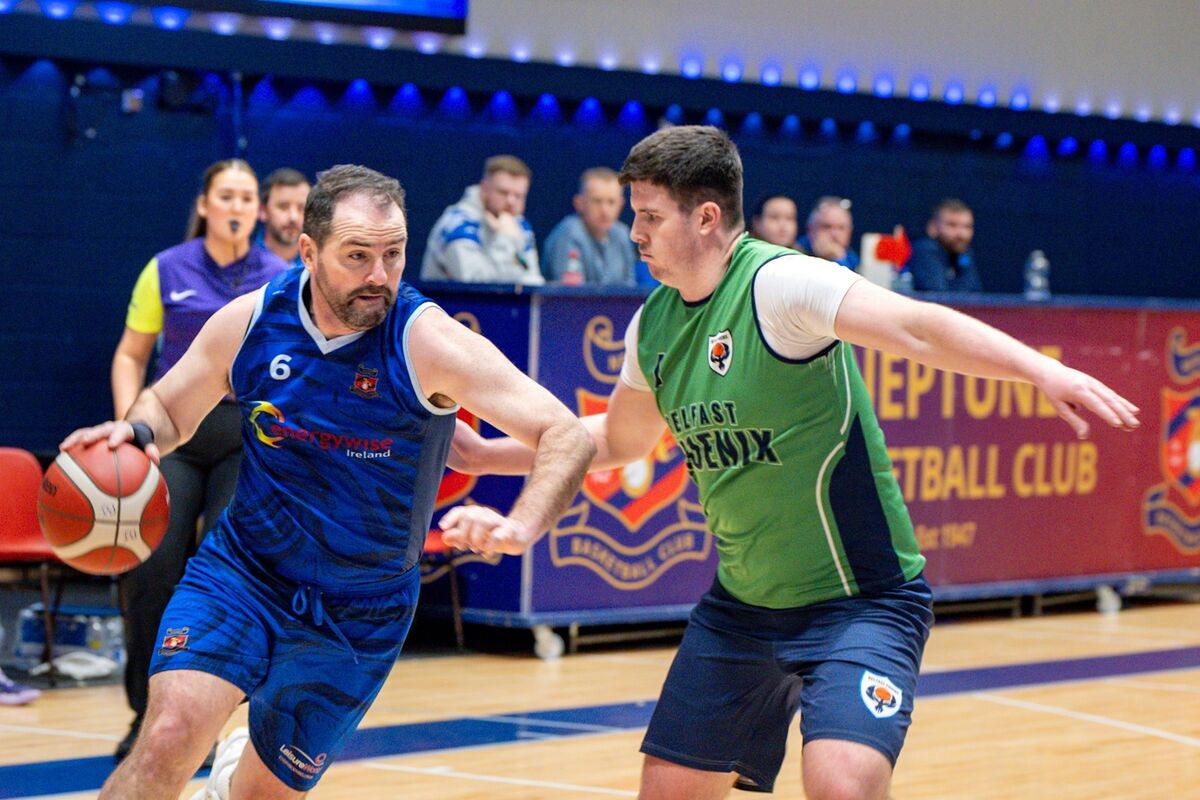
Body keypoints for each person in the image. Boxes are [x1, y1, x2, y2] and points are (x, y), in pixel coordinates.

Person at [446, 126, 1140, 800]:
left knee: (840, 782)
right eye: (634, 216)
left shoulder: (782, 286)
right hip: (743, 610)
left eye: (651, 217)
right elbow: (618, 439)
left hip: (860, 603)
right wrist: (488, 455)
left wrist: (1040, 373)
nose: (636, 234)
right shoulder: (652, 325)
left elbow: (917, 327)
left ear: (707, 217)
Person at [66, 164, 592, 800]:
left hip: (360, 608)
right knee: (170, 735)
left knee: (263, 793)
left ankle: (231, 782)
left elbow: (563, 432)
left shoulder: (427, 340)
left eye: (392, 254)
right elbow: (171, 409)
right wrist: (137, 435)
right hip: (245, 571)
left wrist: (521, 526)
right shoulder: (254, 320)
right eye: (358, 255)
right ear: (308, 252)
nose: (379, 275)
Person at [109, 158, 289, 763]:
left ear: (258, 211)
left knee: (226, 565)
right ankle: (145, 716)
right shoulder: (165, 269)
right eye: (226, 196)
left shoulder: (280, 276)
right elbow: (131, 354)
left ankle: (212, 719)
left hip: (247, 432)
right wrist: (131, 421)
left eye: (247, 197)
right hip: (175, 432)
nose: (237, 206)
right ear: (206, 204)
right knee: (153, 567)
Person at [420, 154, 543, 285]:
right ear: (484, 188)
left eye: (518, 196)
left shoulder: (519, 224)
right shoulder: (458, 223)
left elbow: (533, 279)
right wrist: (505, 238)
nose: (511, 201)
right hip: (451, 304)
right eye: (503, 192)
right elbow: (476, 285)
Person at [541, 167, 637, 285]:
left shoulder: (622, 233)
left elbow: (630, 287)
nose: (605, 210)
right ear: (579, 203)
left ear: (621, 205)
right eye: (597, 201)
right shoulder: (569, 233)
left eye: (611, 202)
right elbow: (572, 295)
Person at [908, 198, 982, 292]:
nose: (961, 234)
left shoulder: (965, 253)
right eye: (952, 225)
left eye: (967, 226)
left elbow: (975, 296)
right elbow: (938, 297)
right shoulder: (925, 250)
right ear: (933, 227)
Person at [253, 167, 311, 269]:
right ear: (263, 210)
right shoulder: (244, 261)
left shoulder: (317, 264)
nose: (293, 217)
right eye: (283, 206)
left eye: (301, 208)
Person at [797, 195, 860, 269]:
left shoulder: (854, 260)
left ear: (849, 231)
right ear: (810, 230)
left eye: (841, 228)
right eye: (826, 227)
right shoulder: (795, 255)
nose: (834, 234)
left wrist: (839, 259)